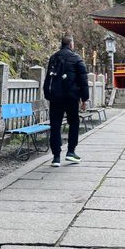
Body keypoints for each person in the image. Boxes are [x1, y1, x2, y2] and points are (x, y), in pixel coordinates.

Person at [43, 34, 89, 167]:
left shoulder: (53, 57)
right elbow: (83, 80)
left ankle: (56, 157)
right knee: (74, 122)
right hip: (71, 97)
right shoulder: (76, 58)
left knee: (55, 125)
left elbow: (48, 78)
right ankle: (71, 151)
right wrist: (84, 99)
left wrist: (48, 94)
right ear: (71, 44)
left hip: (55, 97)